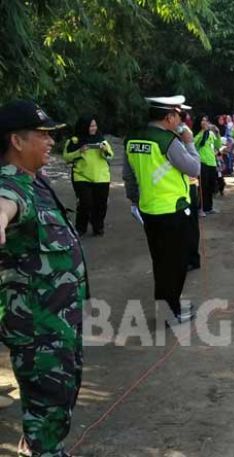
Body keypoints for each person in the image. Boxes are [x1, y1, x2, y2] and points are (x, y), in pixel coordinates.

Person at [0, 100, 88, 456]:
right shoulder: (11, 185)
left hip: (57, 319)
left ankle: (38, 447)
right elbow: (4, 206)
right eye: (42, 134)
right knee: (50, 401)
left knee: (58, 398)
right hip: (39, 328)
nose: (50, 141)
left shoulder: (33, 181)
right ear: (16, 141)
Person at [123, 95, 199, 322]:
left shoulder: (133, 138)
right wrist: (189, 141)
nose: (180, 120)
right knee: (176, 263)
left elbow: (128, 175)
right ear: (169, 117)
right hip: (173, 210)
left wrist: (136, 200)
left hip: (149, 210)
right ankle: (171, 313)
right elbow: (194, 168)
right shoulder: (169, 141)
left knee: (160, 261)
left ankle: (169, 307)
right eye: (178, 116)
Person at [62, 115, 114, 236]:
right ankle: (81, 228)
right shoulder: (74, 140)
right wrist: (79, 151)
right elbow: (66, 157)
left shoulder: (101, 139)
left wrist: (103, 150)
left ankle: (98, 227)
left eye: (95, 125)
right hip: (81, 176)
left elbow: (110, 156)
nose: (93, 128)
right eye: (91, 126)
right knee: (85, 203)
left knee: (101, 204)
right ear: (84, 126)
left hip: (101, 176)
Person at [193, 115, 222, 214]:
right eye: (203, 121)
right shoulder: (196, 133)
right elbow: (195, 143)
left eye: (206, 121)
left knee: (210, 186)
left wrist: (217, 133)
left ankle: (209, 207)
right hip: (202, 162)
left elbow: (218, 145)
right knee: (203, 187)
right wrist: (203, 132)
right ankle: (201, 208)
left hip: (212, 162)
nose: (205, 123)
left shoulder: (210, 133)